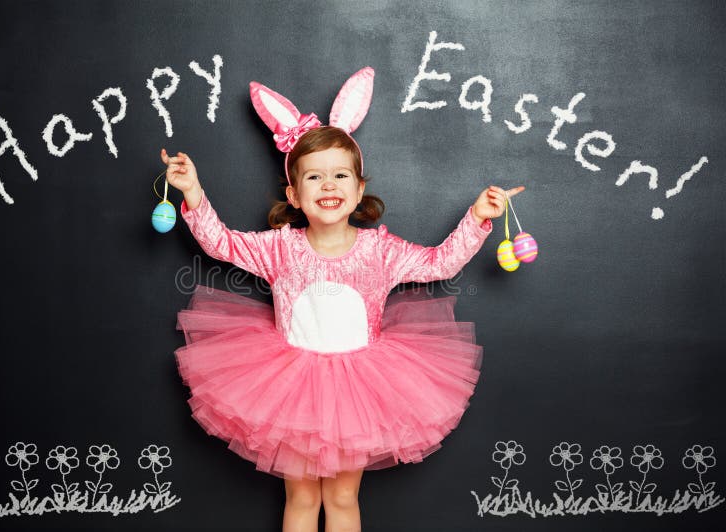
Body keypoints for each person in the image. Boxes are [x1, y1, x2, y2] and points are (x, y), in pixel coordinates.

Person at [161, 67, 524, 532]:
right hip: (289, 386)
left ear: (359, 190)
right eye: (314, 177)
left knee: (342, 496)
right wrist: (192, 192)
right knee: (300, 497)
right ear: (294, 194)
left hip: (359, 390)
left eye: (340, 175)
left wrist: (477, 218)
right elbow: (221, 244)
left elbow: (440, 264)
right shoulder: (280, 248)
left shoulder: (380, 251)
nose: (328, 185)